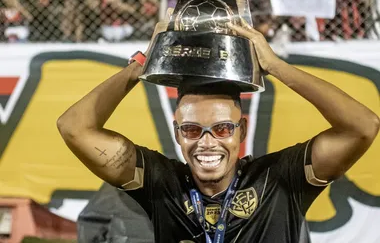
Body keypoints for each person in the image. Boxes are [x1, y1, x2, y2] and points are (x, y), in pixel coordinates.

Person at [57, 14, 380, 242]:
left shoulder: (280, 178)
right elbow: (73, 127)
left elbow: (363, 126)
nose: (207, 142)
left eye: (223, 129)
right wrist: (142, 63)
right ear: (177, 133)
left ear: (242, 129)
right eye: (193, 130)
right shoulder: (161, 182)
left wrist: (276, 66)